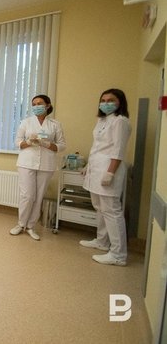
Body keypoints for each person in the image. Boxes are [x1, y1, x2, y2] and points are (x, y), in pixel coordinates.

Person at [80, 88, 131, 266]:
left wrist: (110, 172)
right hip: (96, 168)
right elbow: (97, 147)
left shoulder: (120, 121)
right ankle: (102, 242)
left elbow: (118, 149)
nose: (106, 103)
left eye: (111, 100)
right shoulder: (102, 120)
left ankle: (118, 255)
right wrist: (88, 166)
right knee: (99, 208)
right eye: (103, 100)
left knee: (112, 212)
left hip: (109, 170)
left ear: (120, 102)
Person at [11, 94, 66, 240]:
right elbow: (17, 142)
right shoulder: (26, 122)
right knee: (27, 195)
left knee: (39, 196)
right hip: (26, 162)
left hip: (46, 164)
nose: (36, 106)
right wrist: (29, 142)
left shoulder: (55, 124)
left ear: (47, 105)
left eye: (39, 103)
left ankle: (30, 226)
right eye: (34, 104)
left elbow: (61, 145)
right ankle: (20, 224)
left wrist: (46, 144)